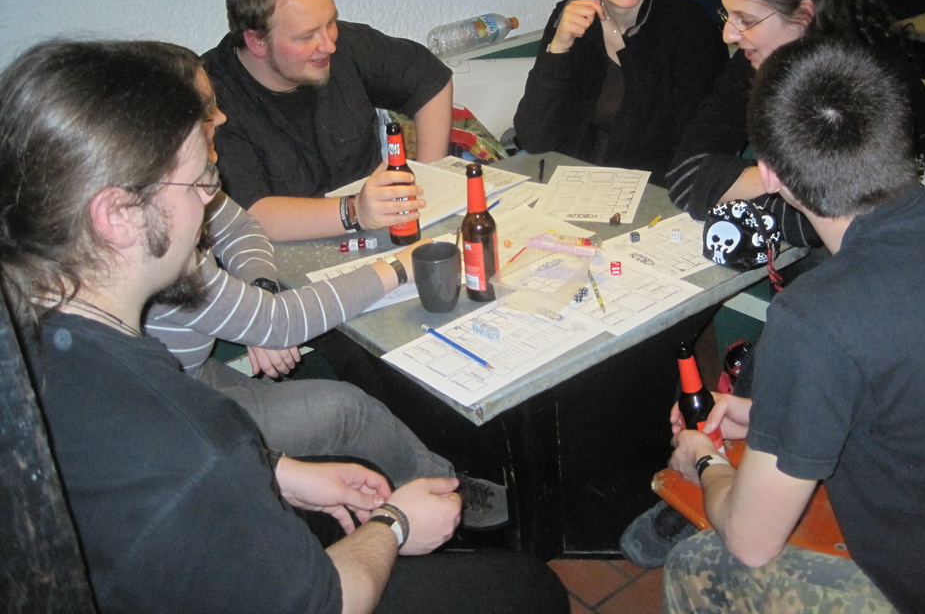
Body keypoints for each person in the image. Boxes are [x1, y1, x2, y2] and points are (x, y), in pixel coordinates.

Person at [0, 39, 568, 614]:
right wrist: (395, 524)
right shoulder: (189, 443)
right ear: (117, 214)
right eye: (199, 183)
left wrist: (277, 469)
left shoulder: (45, 341)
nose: (209, 202)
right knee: (530, 590)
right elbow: (324, 600)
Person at [662, 37, 925, 614]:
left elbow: (753, 542)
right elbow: (915, 383)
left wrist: (706, 460)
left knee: (698, 567)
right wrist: (769, 413)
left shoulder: (814, 318)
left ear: (769, 174)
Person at [144, 45, 506, 528]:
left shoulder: (183, 185)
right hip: (168, 410)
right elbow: (280, 322)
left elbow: (240, 227)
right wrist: (397, 268)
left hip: (184, 372)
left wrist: (262, 287)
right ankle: (447, 497)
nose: (222, 117)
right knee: (347, 410)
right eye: (209, 109)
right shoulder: (159, 237)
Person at [666, 0, 925, 245]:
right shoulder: (757, 61)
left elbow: (838, 221)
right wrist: (787, 180)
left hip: (911, 249)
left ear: (803, 15)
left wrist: (758, 187)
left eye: (745, 20)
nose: (729, 35)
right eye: (727, 16)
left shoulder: (870, 81)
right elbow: (686, 175)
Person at [204, 0, 453, 242]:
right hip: (285, 254)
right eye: (306, 36)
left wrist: (428, 181)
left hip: (377, 234)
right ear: (257, 41)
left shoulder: (345, 45)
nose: (329, 45)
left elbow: (430, 79)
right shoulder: (209, 97)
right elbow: (250, 216)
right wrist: (355, 211)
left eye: (331, 23)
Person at [512, 0, 727, 183]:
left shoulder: (687, 25)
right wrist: (558, 49)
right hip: (572, 186)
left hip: (653, 193)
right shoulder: (569, 15)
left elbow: (698, 150)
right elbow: (535, 138)